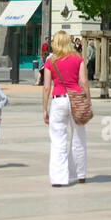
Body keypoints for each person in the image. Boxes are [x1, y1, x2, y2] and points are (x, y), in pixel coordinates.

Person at [43, 30, 88, 187]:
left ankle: (59, 178)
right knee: (79, 137)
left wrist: (44, 109)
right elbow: (83, 81)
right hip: (75, 99)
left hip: (59, 100)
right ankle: (80, 174)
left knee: (58, 139)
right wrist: (87, 100)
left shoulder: (51, 61)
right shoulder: (78, 58)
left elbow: (47, 87)